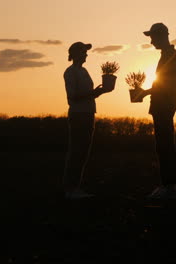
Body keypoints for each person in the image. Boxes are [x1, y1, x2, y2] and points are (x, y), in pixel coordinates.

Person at [62, 42, 112, 200]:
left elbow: (87, 94)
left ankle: (75, 187)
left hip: (88, 113)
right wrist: (93, 93)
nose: (86, 54)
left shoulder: (83, 71)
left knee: (83, 152)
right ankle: (70, 189)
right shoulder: (70, 72)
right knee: (77, 151)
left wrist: (99, 92)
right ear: (75, 53)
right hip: (78, 115)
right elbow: (73, 97)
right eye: (83, 52)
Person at [140, 23, 176, 200]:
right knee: (163, 146)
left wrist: (146, 92)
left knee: (165, 146)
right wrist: (147, 92)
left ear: (161, 36)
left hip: (164, 105)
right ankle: (167, 185)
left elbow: (165, 84)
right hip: (161, 105)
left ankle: (169, 187)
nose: (151, 42)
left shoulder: (170, 56)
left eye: (152, 37)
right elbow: (161, 83)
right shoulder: (167, 55)